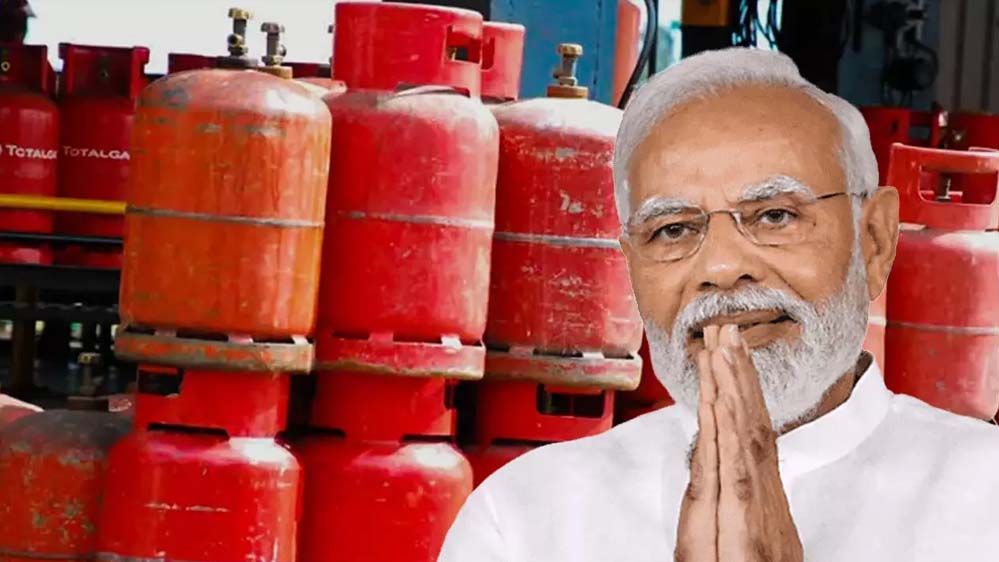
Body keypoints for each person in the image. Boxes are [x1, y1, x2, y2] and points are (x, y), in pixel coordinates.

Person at [438, 47, 999, 561]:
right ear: (631, 269)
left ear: (874, 241)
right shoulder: (526, 518)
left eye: (775, 216)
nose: (723, 268)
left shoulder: (983, 496)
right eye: (673, 229)